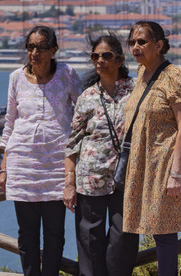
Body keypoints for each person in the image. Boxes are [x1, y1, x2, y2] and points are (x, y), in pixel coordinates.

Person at [121, 21, 181, 276]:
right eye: (133, 42)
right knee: (156, 230)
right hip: (146, 164)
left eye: (142, 42)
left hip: (168, 165)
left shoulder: (174, 76)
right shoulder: (141, 73)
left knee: (165, 232)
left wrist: (176, 173)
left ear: (159, 45)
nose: (136, 47)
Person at [0, 26, 81, 276]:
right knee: (27, 235)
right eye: (30, 47)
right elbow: (10, 123)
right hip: (22, 168)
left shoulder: (67, 74)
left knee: (55, 234)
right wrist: (4, 167)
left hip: (57, 167)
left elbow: (83, 114)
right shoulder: (15, 77)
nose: (34, 52)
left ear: (54, 50)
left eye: (41, 47)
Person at [64, 32, 138, 276]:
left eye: (106, 55)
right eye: (95, 56)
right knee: (89, 239)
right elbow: (73, 142)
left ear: (119, 59)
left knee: (123, 238)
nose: (100, 60)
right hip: (90, 177)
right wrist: (69, 183)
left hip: (126, 177)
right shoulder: (86, 97)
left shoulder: (136, 91)